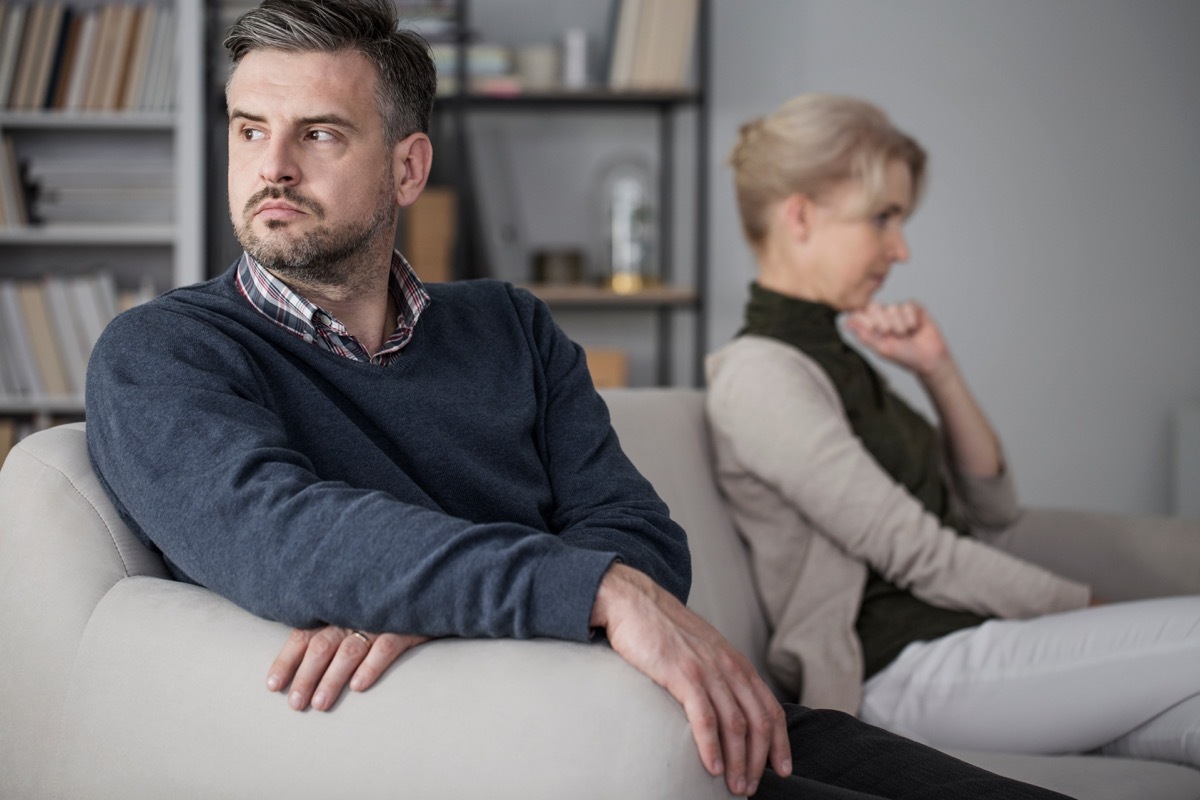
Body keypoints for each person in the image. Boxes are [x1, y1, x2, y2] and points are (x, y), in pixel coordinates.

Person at [84, 3, 1072, 797]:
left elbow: (643, 535)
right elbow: (283, 540)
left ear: (408, 166)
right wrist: (591, 590)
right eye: (250, 128)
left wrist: (443, 596)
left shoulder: (509, 325)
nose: (273, 167)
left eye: (320, 133)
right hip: (543, 752)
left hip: (688, 709)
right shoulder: (163, 352)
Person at [706, 92, 1200, 767]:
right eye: (883, 218)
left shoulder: (840, 359)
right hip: (900, 671)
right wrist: (1087, 607)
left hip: (970, 648)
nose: (900, 249)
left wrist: (937, 370)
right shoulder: (762, 376)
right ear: (800, 216)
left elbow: (992, 509)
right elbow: (918, 553)